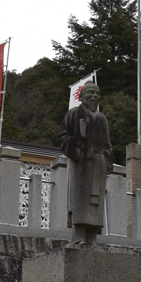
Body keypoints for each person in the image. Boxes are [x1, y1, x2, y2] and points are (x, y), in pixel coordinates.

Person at [57, 82, 112, 245]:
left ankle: (93, 237)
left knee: (96, 201)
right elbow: (63, 137)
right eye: (90, 92)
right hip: (81, 162)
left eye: (97, 93)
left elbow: (108, 143)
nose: (94, 96)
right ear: (81, 96)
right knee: (80, 199)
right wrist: (77, 144)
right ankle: (78, 236)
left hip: (99, 162)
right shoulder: (74, 114)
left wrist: (108, 156)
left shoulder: (102, 118)